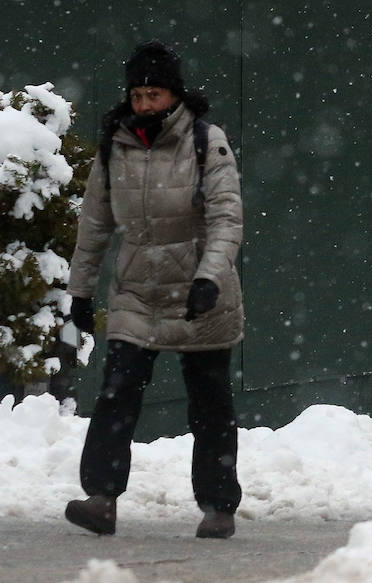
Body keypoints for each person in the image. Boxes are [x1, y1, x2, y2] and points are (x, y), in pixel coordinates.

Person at [65, 41, 245, 539]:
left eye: (155, 94)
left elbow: (227, 217)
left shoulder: (208, 142)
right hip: (137, 290)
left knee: (210, 401)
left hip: (199, 292)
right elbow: (95, 223)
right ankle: (101, 499)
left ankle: (218, 507)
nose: (146, 105)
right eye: (138, 94)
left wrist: (209, 276)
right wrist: (80, 291)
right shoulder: (114, 144)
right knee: (117, 391)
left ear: (175, 94)